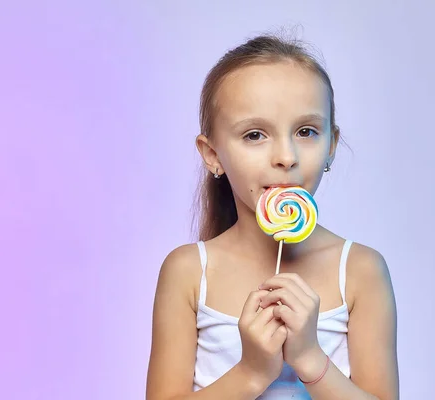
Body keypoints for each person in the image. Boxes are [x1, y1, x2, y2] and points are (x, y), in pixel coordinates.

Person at [146, 33, 399, 400]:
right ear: (212, 153)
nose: (286, 155)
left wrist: (311, 360)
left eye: (306, 131)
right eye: (254, 134)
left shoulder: (360, 270)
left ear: (330, 146)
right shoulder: (188, 272)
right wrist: (250, 373)